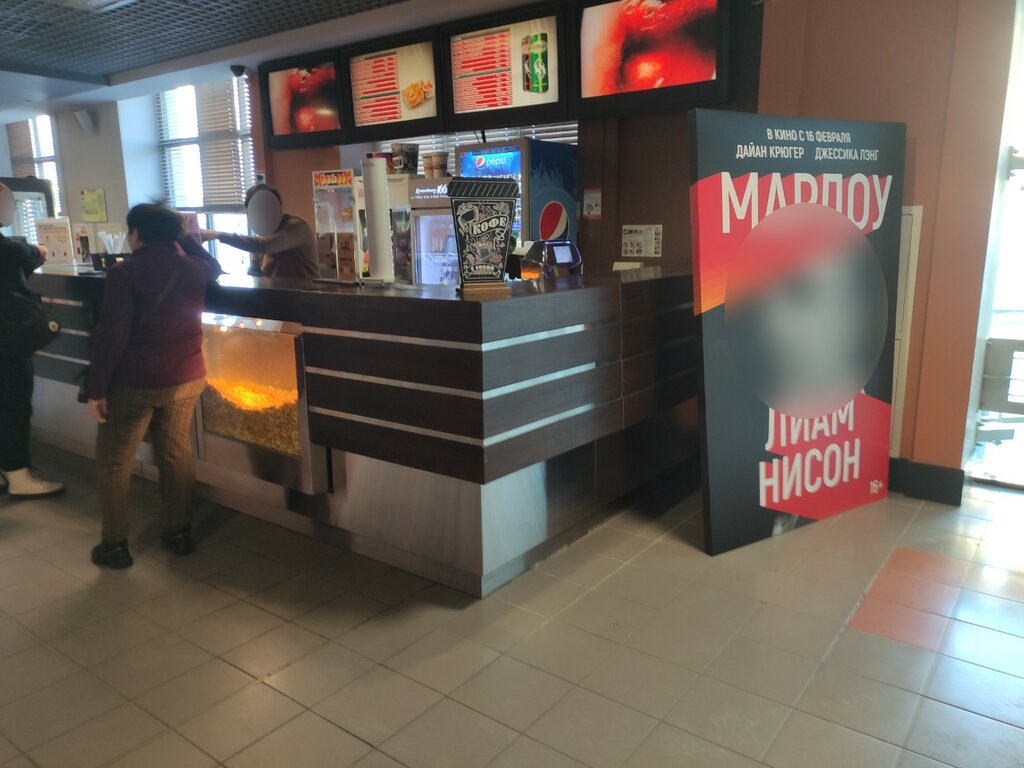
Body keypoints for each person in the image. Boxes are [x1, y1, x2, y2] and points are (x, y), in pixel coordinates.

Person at [86, 204, 222, 569]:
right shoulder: (195, 268)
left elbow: (112, 335)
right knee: (175, 453)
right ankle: (178, 533)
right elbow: (214, 267)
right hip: (187, 378)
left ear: (135, 235)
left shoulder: (124, 272)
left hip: (137, 380)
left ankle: (115, 545)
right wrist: (186, 239)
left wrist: (97, 389)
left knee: (114, 460)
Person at [0, 182, 64, 498]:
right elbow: (26, 254)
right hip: (8, 340)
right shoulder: (8, 249)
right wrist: (38, 251)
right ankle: (18, 475)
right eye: (6, 202)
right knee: (14, 404)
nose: (10, 209)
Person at [202, 183, 319, 278]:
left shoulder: (297, 226)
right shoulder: (264, 234)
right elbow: (257, 273)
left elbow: (265, 245)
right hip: (278, 295)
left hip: (306, 295)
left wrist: (218, 235)